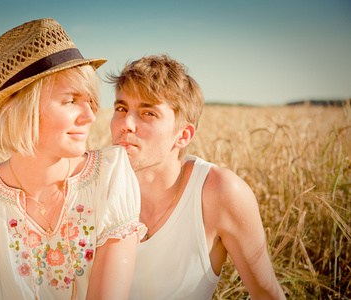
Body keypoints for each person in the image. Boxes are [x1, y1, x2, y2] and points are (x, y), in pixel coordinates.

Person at [0, 18, 146, 300]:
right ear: (23, 109)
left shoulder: (110, 178)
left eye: (90, 100)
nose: (90, 116)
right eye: (70, 100)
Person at [109, 54, 286, 299]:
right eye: (121, 108)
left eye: (148, 113)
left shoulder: (219, 192)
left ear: (183, 135)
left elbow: (266, 293)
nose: (126, 123)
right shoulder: (93, 184)